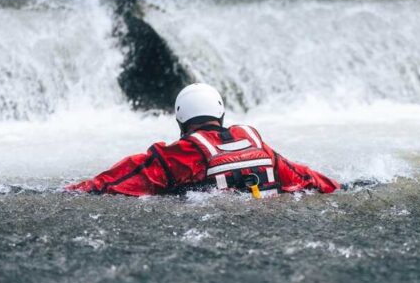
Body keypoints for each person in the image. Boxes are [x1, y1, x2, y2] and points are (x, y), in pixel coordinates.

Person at [66, 83, 339, 198]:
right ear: (221, 115)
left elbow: (112, 183)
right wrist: (340, 186)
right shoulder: (258, 145)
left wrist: (72, 191)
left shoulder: (181, 153)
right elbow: (307, 178)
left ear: (180, 121)